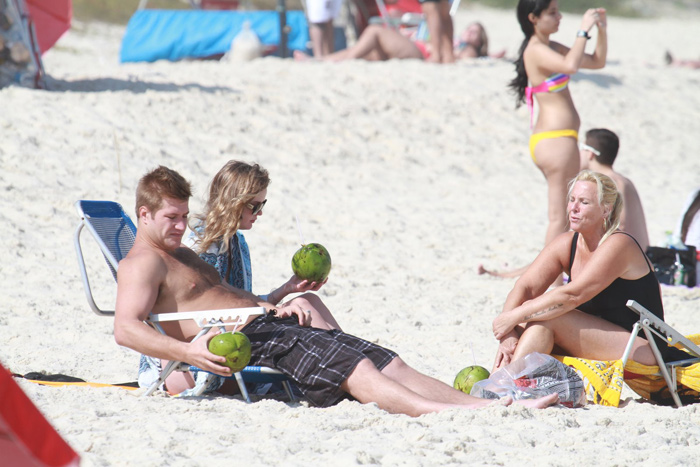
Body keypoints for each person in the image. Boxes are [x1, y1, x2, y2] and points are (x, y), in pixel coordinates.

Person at [116, 165, 559, 414]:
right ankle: (462, 415)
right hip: (239, 344)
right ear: (144, 214)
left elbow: (227, 295)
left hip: (265, 327)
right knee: (356, 367)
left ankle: (490, 404)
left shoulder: (182, 255)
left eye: (182, 215)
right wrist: (190, 354)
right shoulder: (143, 263)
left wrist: (273, 302)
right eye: (171, 217)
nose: (180, 225)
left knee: (386, 359)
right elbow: (126, 329)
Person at [491, 170, 689, 372]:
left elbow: (571, 296)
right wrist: (507, 332)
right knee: (528, 320)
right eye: (572, 200)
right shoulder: (567, 243)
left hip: (643, 347)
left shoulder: (619, 245)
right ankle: (498, 387)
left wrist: (514, 317)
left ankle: (503, 386)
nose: (573, 208)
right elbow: (525, 286)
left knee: (548, 315)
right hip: (597, 338)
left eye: (584, 202)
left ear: (605, 210)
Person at [186, 160, 341, 331]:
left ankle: (352, 353)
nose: (260, 213)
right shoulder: (202, 241)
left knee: (311, 299)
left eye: (263, 204)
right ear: (235, 203)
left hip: (240, 321)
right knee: (302, 303)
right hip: (217, 332)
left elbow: (245, 301)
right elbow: (218, 302)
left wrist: (287, 288)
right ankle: (347, 356)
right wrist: (276, 310)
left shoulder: (238, 241)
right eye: (255, 206)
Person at [508, 0, 607, 267]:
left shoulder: (549, 47)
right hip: (555, 139)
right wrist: (583, 31)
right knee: (559, 219)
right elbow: (571, 66)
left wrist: (601, 31)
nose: (559, 16)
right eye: (552, 12)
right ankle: (548, 280)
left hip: (558, 139)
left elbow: (597, 62)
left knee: (563, 218)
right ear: (533, 18)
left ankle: (550, 275)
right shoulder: (536, 50)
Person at [579, 128, 650, 252]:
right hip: (639, 256)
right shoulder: (624, 181)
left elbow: (619, 223)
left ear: (590, 153)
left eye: (582, 147)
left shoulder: (608, 182)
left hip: (628, 260)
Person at [293, 22, 500, 62]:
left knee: (374, 31)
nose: (470, 34)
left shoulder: (468, 49)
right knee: (367, 52)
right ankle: (320, 60)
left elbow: (465, 59)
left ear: (480, 40)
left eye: (476, 33)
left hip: (422, 53)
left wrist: (489, 55)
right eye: (470, 29)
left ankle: (324, 60)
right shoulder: (454, 38)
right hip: (418, 47)